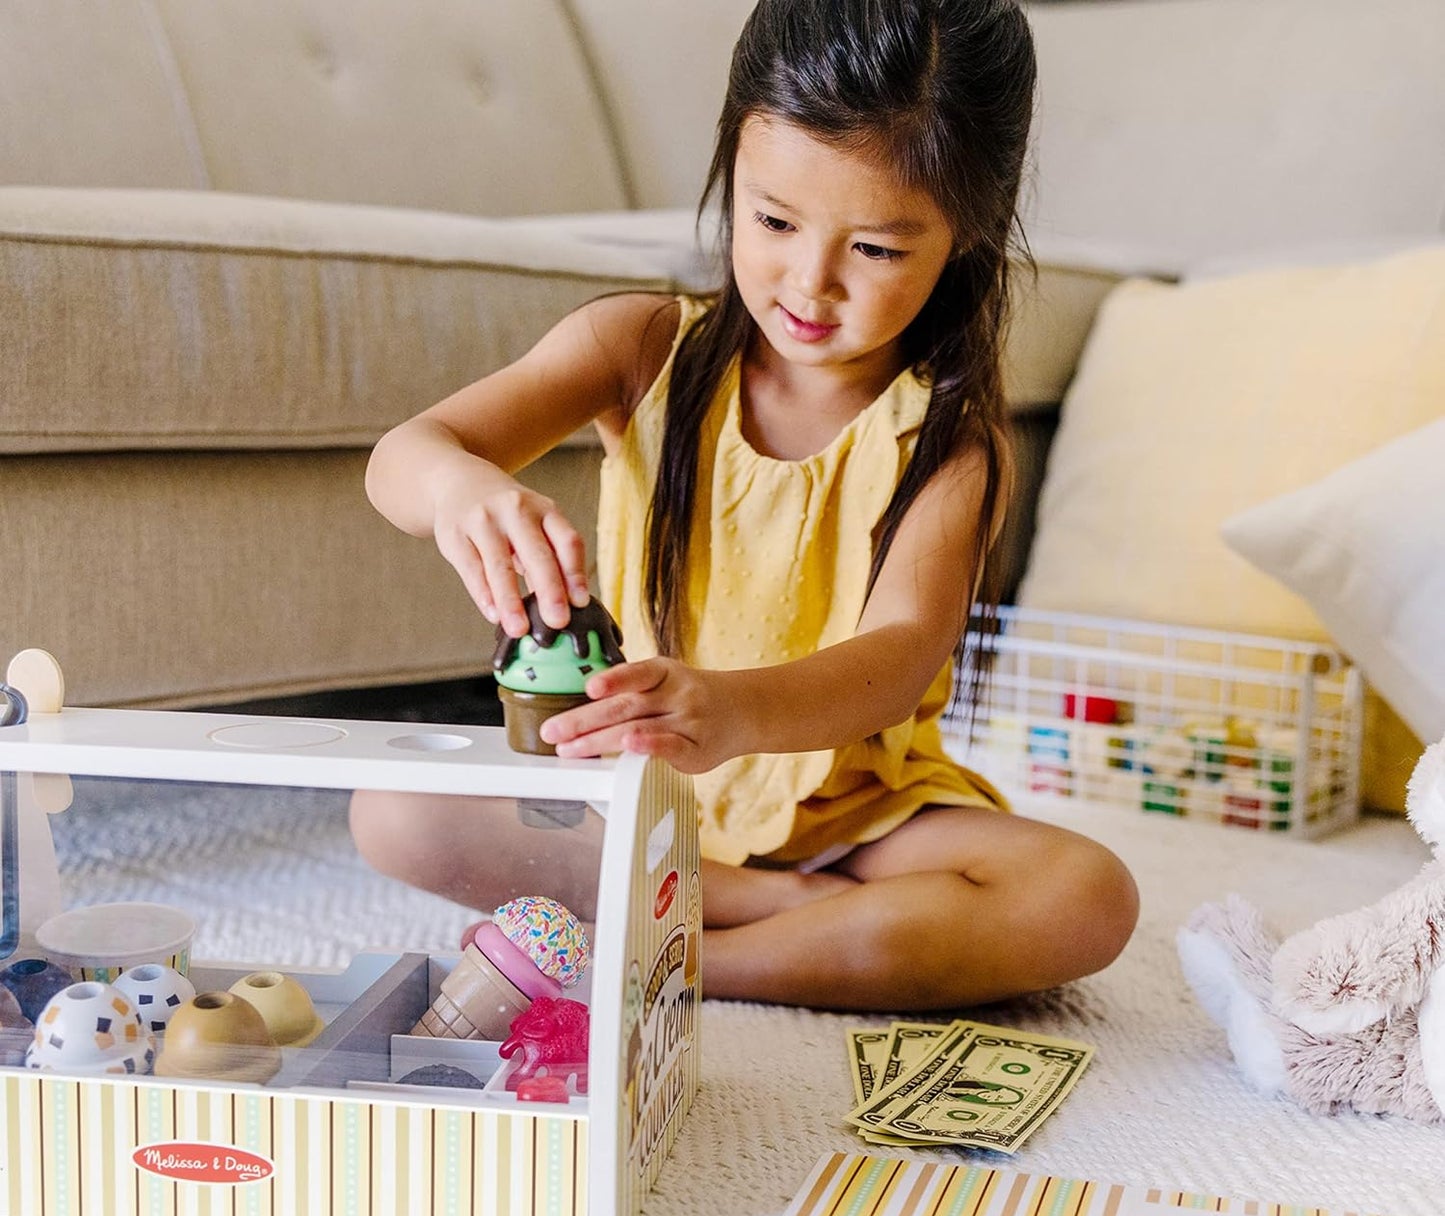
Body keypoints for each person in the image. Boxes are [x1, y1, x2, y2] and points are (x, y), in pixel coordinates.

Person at [351, 0, 1139, 1011]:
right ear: (731, 168)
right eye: (772, 221)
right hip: (641, 791)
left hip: (856, 816)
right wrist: (459, 487)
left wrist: (730, 710)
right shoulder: (636, 347)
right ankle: (768, 904)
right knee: (395, 808)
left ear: (965, 233)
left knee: (1083, 896)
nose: (808, 282)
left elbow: (898, 657)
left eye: (877, 251)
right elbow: (406, 456)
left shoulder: (944, 438)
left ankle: (681, 957)